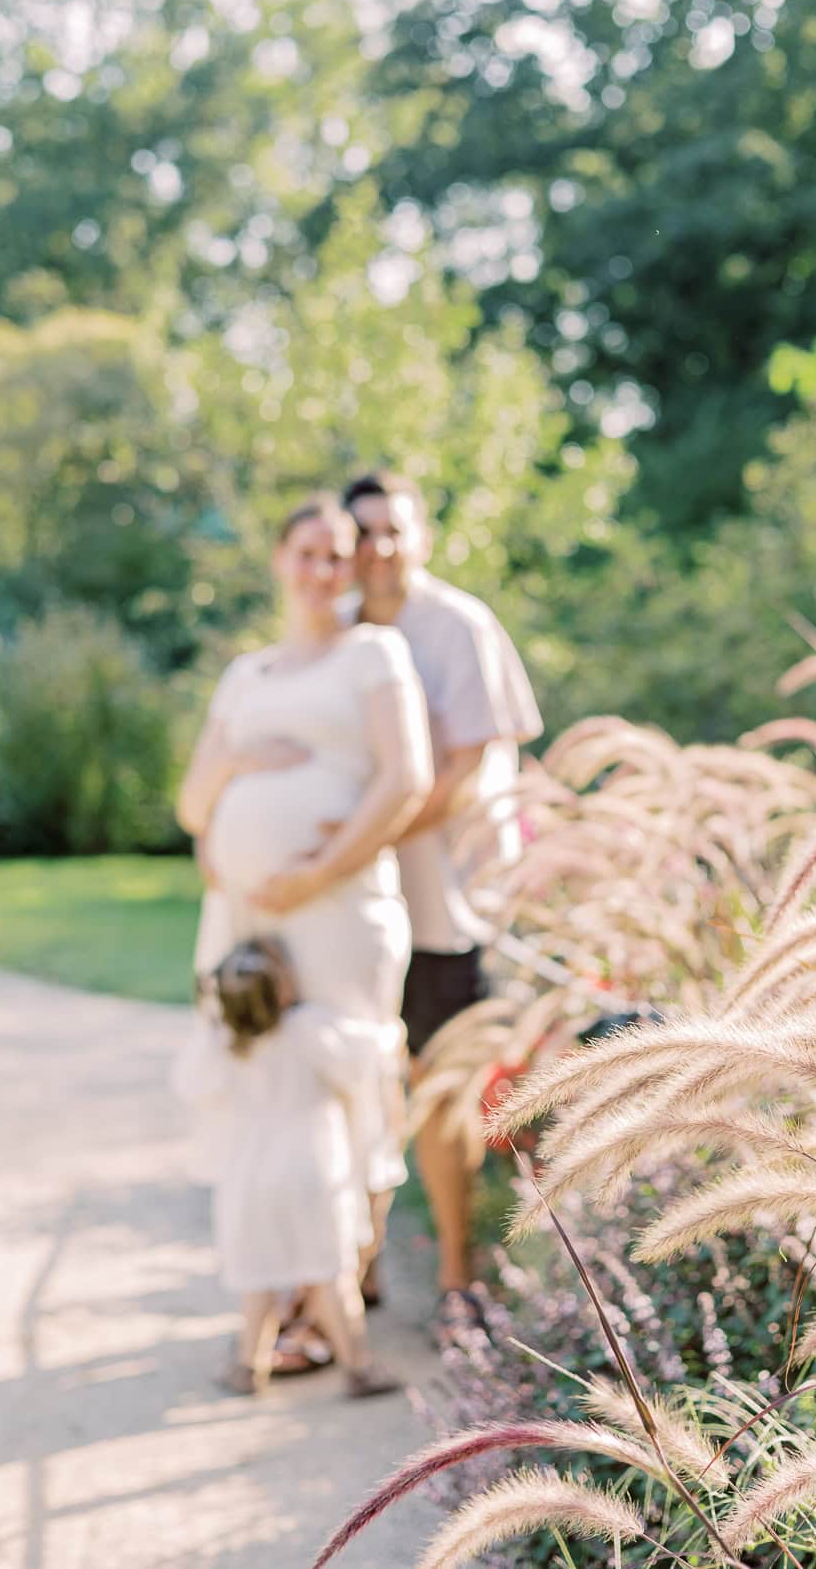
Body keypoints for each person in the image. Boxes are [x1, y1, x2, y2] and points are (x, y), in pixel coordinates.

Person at [175, 493, 433, 1355]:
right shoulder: (245, 674)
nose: (324, 569)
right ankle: (285, 1296)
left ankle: (341, 1290)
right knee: (262, 1084)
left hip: (339, 906)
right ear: (281, 558)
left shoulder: (374, 653)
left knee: (345, 1077)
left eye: (339, 555)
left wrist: (316, 870)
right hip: (246, 914)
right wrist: (242, 765)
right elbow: (189, 804)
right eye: (309, 553)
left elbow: (406, 780)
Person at [342, 471, 543, 1323]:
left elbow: (466, 772)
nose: (379, 548)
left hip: (447, 906)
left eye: (394, 529)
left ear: (421, 536)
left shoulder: (458, 626)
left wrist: (361, 840)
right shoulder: (338, 636)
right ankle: (357, 1260)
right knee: (356, 1079)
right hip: (356, 905)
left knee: (447, 1085)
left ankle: (462, 1275)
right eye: (363, 532)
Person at [193, 936, 404, 1398]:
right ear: (284, 989)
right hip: (312, 1170)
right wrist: (390, 1030)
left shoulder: (227, 1040)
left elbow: (193, 1084)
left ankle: (249, 1365)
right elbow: (367, 1053)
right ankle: (358, 1366)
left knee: (259, 1279)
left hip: (248, 1176)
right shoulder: (308, 1028)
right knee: (332, 1274)